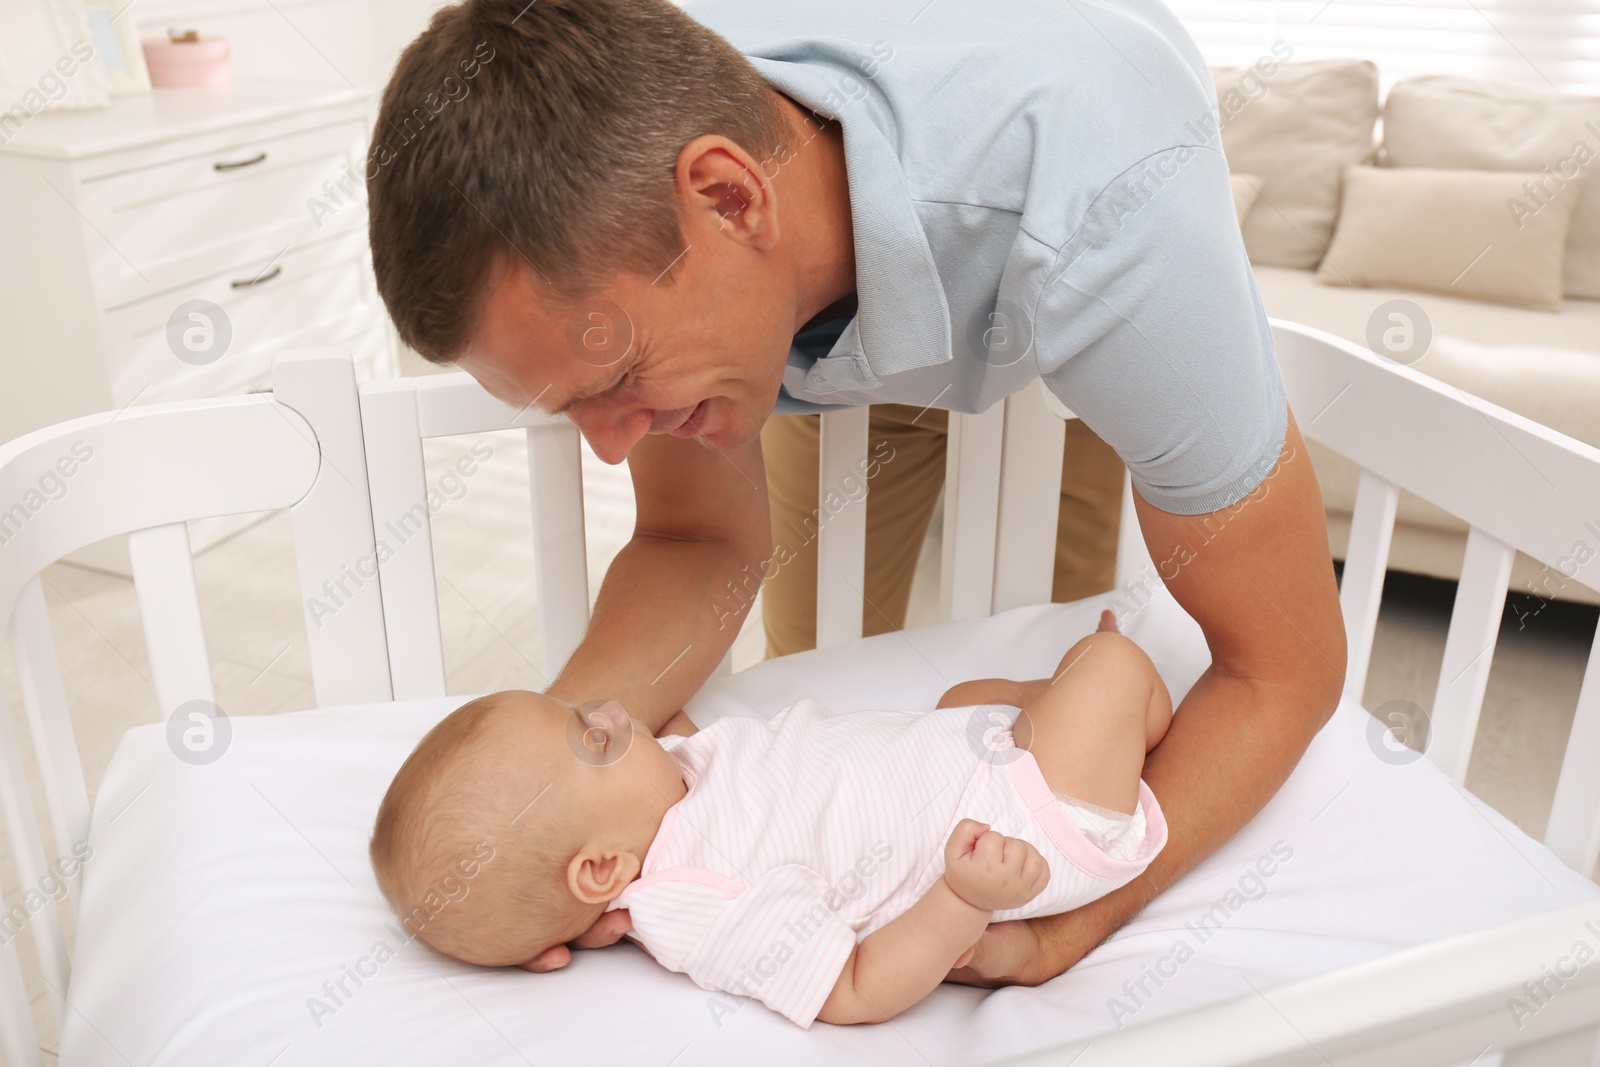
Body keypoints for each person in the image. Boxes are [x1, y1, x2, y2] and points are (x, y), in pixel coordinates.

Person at [363, 0, 1346, 988]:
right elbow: (695, 539)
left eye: (615, 380)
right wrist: (533, 811)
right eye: (569, 405)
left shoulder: (1111, 221)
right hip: (842, 248)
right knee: (828, 629)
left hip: (1062, 188)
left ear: (732, 199)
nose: (611, 450)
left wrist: (1063, 929)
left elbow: (1281, 670)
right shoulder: (627, 140)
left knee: (1078, 649)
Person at [370, 615, 1171, 1027]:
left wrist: (569, 917)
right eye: (596, 736)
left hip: (976, 750)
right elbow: (849, 991)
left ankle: (1074, 703)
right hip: (1028, 819)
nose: (618, 710)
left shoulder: (660, 803)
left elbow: (677, 735)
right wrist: (963, 898)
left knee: (969, 697)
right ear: (601, 869)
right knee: (1117, 666)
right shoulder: (701, 897)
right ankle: (1108, 704)